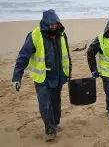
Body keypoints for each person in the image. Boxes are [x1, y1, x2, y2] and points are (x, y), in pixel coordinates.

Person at [12, 9, 72, 141]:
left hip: (58, 76)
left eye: (55, 24)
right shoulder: (34, 35)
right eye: (51, 24)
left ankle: (55, 123)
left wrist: (69, 73)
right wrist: (17, 77)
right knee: (45, 103)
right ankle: (49, 129)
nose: (53, 26)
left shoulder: (61, 34)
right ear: (45, 23)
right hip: (42, 77)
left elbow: (66, 54)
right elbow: (23, 56)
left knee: (56, 101)